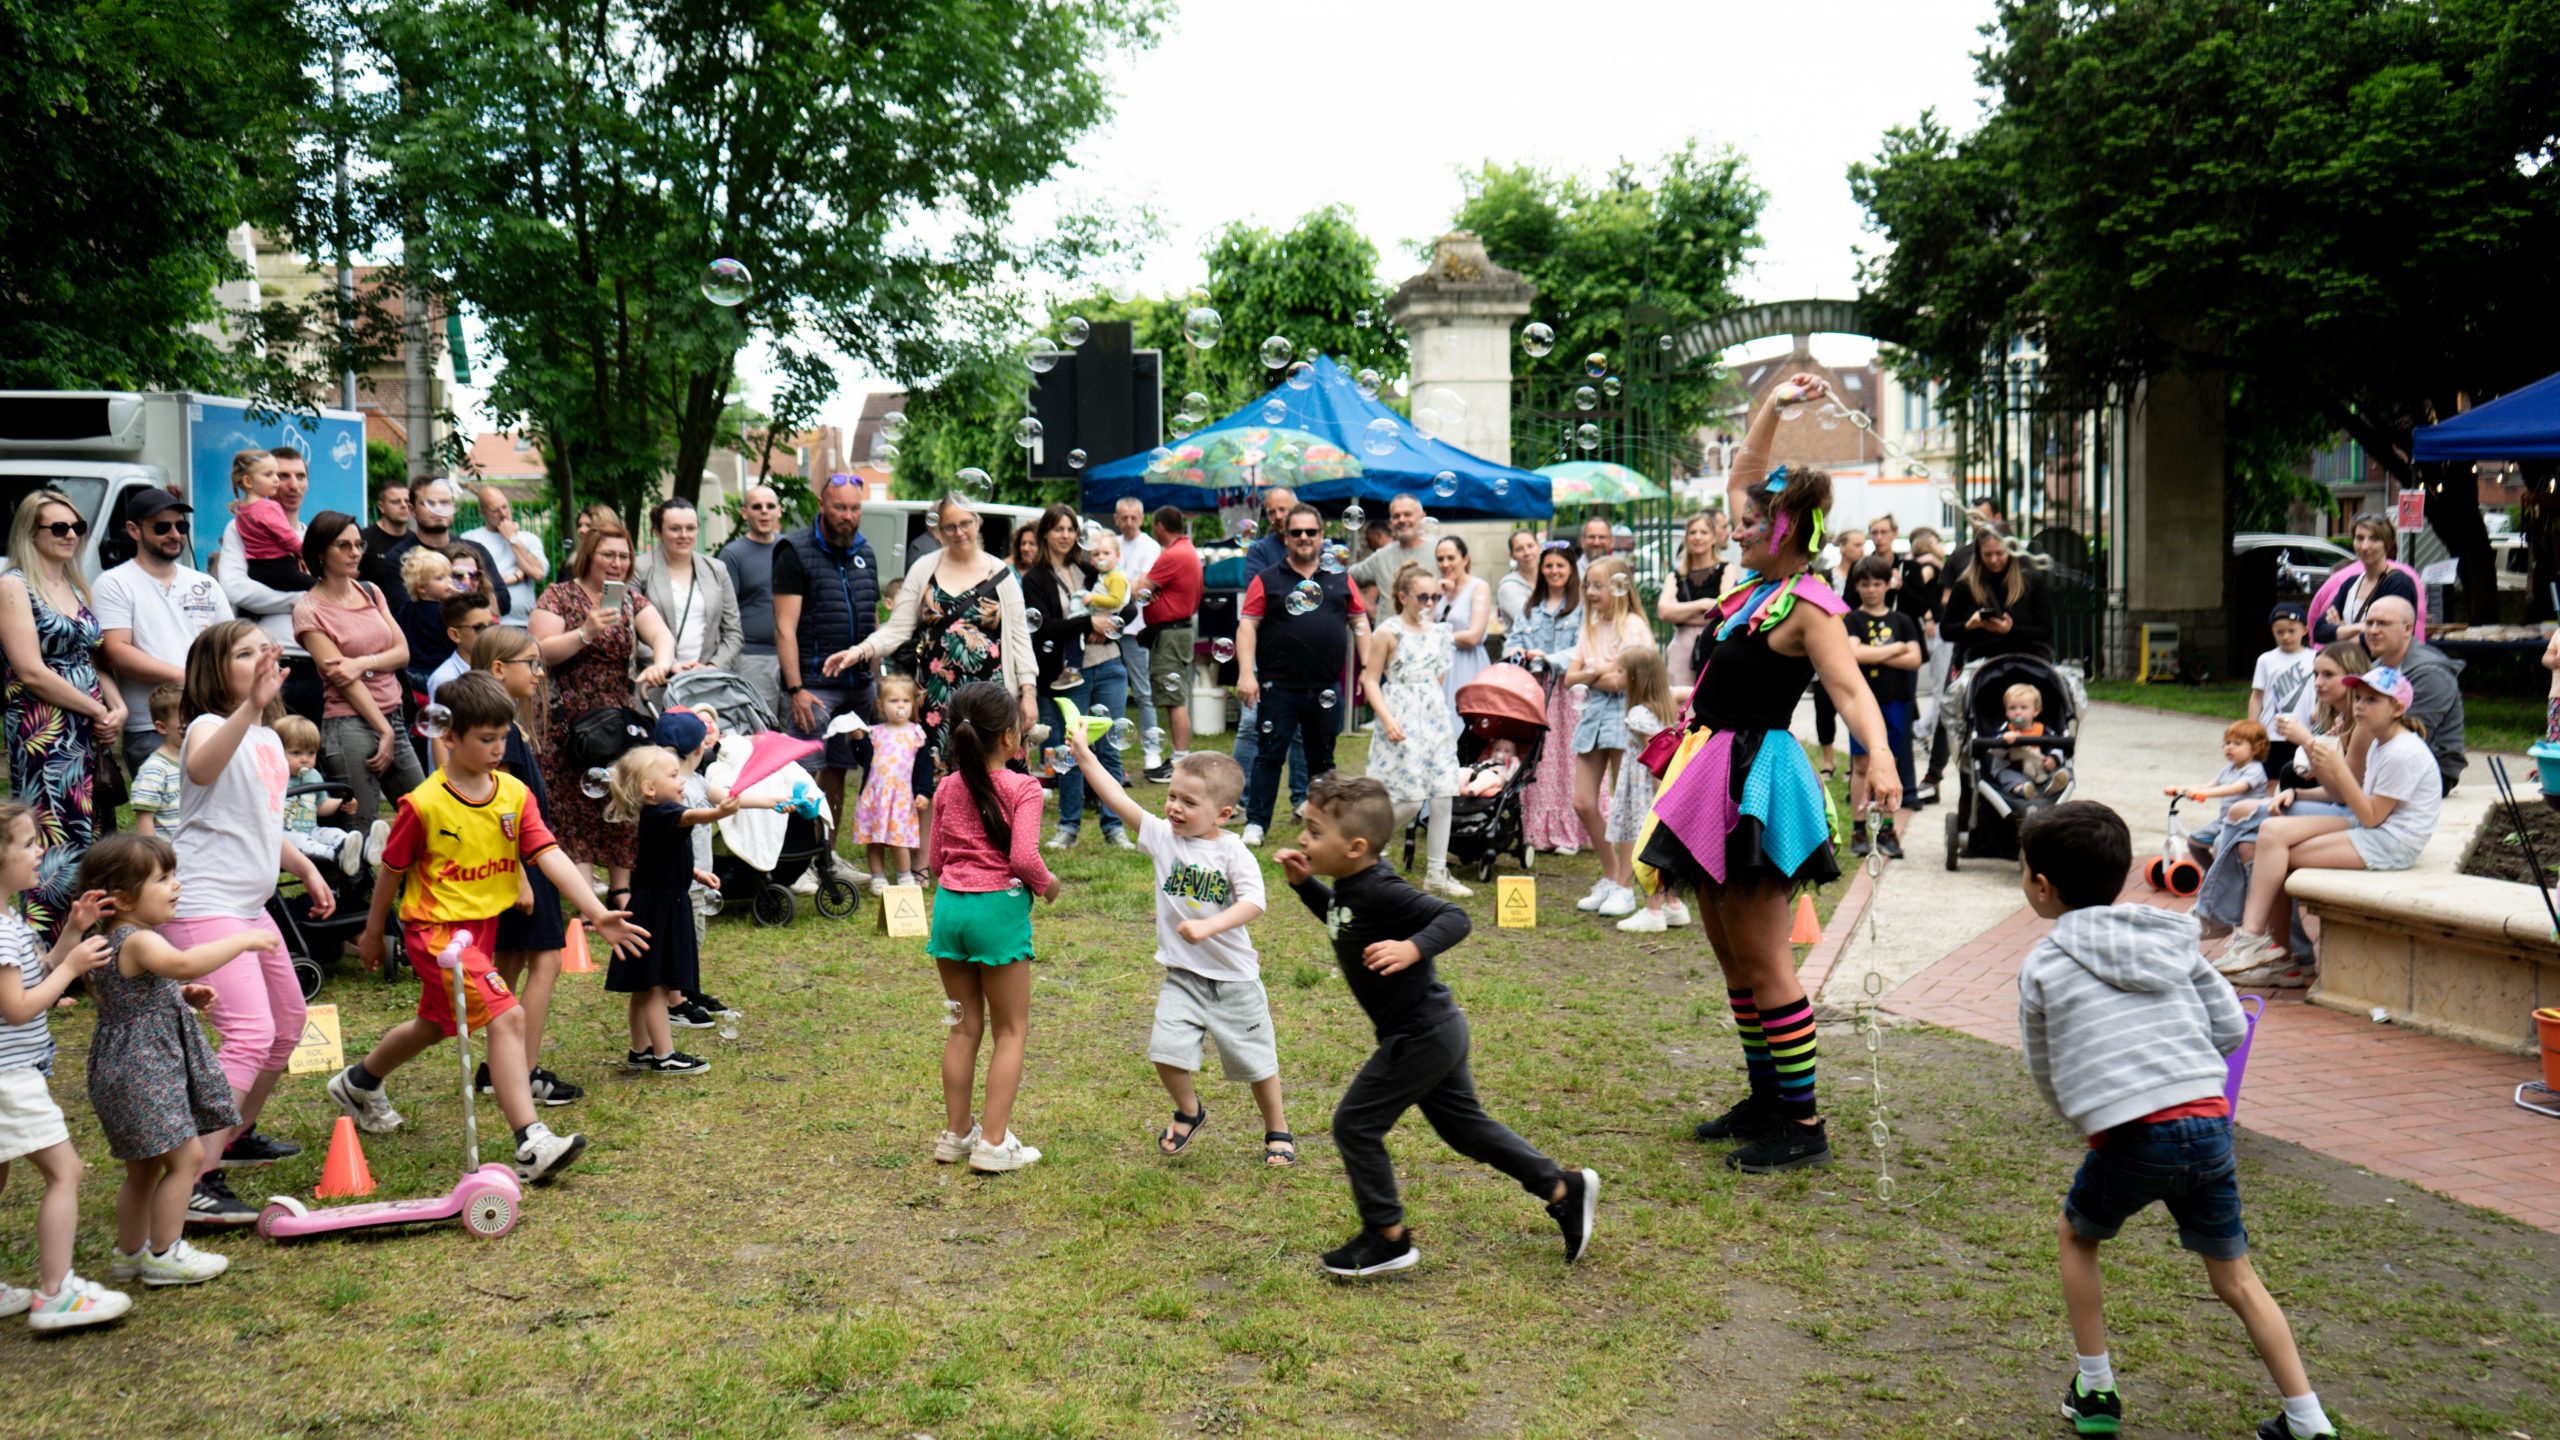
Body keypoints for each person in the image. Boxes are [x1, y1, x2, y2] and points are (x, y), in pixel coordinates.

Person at [2013, 802, 2337, 1440]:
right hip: (2209, 1125)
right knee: (2236, 1276)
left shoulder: (2044, 965)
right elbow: (2228, 1027)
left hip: (2131, 1136)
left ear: (2042, 886)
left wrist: (2086, 1112)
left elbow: (2044, 1065)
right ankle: (2309, 1419)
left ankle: (2096, 1390)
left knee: (2077, 1236)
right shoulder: (2172, 941)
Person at [1646, 374, 1900, 1173]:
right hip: (1710, 768)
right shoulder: (1751, 587)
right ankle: (1766, 1099)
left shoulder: (1809, 607)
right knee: (1733, 958)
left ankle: (1803, 1122)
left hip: (1756, 780)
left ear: (1786, 531)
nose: (1738, 528)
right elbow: (1743, 471)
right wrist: (1775, 406)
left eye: (1753, 523)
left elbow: (1850, 690)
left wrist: (1881, 755)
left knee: (1766, 961)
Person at [1274, 774, 1598, 1278]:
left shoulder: (1381, 888)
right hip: (1430, 1031)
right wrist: (1305, 888)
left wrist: (1412, 947)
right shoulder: (1351, 887)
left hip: (1420, 1035)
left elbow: (1453, 918)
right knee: (1465, 1130)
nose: (1302, 839)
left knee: (1355, 1125)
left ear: (1356, 848)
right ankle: (1561, 1188)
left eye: (1314, 832)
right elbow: (1342, 918)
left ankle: (1387, 1237)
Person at [333, 674, 633, 1178]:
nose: (498, 749)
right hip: (435, 933)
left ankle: (359, 1082)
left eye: (503, 737)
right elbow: (391, 870)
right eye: (487, 738)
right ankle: (531, 1142)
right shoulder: (424, 804)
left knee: (436, 1024)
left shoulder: (513, 793)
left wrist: (595, 910)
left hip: (480, 929)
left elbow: (549, 853)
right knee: (507, 1015)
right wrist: (371, 932)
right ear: (449, 736)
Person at [1062, 730, 1294, 1165]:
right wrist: (1085, 756)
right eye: (1172, 796)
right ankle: (1189, 1110)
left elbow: (1254, 903)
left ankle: (1277, 1129)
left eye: (1189, 802)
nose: (1174, 808)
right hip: (1182, 977)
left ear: (1223, 813)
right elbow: (1117, 798)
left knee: (1258, 1063)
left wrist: (1210, 927)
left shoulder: (1233, 852)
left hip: (1234, 981)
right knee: (1165, 1053)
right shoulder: (1162, 837)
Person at [824, 493, 1037, 882]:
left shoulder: (1002, 574)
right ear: (939, 530)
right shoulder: (925, 569)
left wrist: (1028, 692)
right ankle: (924, 862)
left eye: (965, 523)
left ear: (977, 523)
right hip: (938, 693)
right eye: (950, 526)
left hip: (990, 692)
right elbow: (898, 628)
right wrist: (860, 651)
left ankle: (1002, 858)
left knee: (995, 775)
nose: (959, 532)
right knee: (933, 778)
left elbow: (1020, 638)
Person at [73, 833, 244, 1288]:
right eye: (163, 878)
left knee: (144, 1167)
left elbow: (136, 995)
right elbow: (184, 963)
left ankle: (130, 1254)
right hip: (144, 1068)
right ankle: (165, 1254)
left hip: (122, 1067)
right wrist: (243, 940)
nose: (175, 885)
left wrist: (181, 995)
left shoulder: (112, 939)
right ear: (124, 897)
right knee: (186, 1158)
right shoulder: (137, 939)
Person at [2219, 665, 2441, 984]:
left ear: (2397, 709)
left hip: (2391, 843)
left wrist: (2337, 767)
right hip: (2369, 828)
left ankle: (2275, 951)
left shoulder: (2403, 753)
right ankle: (2258, 941)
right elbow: (2356, 801)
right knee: (2270, 831)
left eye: (2372, 700)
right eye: (2358, 698)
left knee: (2274, 854)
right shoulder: (2382, 742)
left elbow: (2372, 816)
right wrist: (2299, 791)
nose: (2360, 706)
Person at [923, 681, 1059, 1174]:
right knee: (1011, 1031)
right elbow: (1024, 858)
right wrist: (1048, 884)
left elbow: (936, 862)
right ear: (1008, 736)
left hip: (949, 910)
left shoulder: (946, 787)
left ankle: (956, 1135)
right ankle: (994, 1144)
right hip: (996, 912)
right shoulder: (1024, 788)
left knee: (963, 1028)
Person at [0, 807, 127, 1328]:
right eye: (28, 844)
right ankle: (55, 1294)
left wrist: (71, 935)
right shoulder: (1, 932)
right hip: (9, 1079)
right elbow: (19, 1008)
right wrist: (73, 967)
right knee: (65, 1171)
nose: (40, 852)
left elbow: (40, 975)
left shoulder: (10, 921)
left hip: (11, 1074)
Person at [457, 626, 578, 1105]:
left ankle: (496, 1067)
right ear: (498, 669)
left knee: (507, 961)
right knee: (547, 959)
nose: (539, 672)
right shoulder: (499, 735)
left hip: (519, 863)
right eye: (531, 663)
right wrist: (521, 877)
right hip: (521, 864)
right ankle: (523, 1070)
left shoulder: (509, 726)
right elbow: (497, 812)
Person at [530, 516, 676, 899]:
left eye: (624, 556)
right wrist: (586, 632)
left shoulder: (631, 599)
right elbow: (539, 651)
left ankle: (620, 890)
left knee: (622, 798)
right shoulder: (559, 596)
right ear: (588, 556)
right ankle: (584, 898)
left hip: (616, 717)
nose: (617, 563)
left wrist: (660, 664)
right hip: (567, 719)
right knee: (573, 808)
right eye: (608, 554)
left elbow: (661, 635)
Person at [2193, 643, 2372, 946]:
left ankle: (2221, 917)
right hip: (2344, 809)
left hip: (2359, 819)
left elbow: (2346, 794)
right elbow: (2335, 791)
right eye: (2316, 674)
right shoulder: (2339, 720)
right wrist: (2296, 793)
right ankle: (2287, 949)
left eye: (2328, 675)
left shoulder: (2362, 725)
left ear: (2352, 676)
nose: (2318, 682)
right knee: (2246, 844)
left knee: (2240, 816)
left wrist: (2307, 742)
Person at [0, 490, 116, 931]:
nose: (71, 535)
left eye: (77, 527)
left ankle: (85, 939)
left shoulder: (75, 585)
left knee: (90, 833)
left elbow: (91, 659)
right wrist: (96, 710)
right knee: (50, 838)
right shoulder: (13, 586)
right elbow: (31, 671)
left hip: (87, 727)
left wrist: (116, 708)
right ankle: (45, 947)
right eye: (60, 527)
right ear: (31, 532)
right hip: (44, 730)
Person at [1235, 503, 1371, 848]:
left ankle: (1322, 825)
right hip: (1277, 686)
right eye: (1297, 532)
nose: (1304, 537)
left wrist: (1369, 669)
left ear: (1322, 536)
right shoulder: (1267, 579)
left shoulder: (1340, 577)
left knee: (1322, 761)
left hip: (1325, 687)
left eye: (1311, 531)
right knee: (1269, 756)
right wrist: (1246, 673)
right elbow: (1247, 626)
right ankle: (1256, 823)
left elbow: (1359, 622)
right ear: (1286, 536)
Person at [597, 741, 729, 1076]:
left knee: (644, 986)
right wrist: (718, 813)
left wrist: (694, 872)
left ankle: (640, 1051)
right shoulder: (663, 812)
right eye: (673, 775)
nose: (681, 780)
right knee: (657, 985)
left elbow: (662, 857)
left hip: (653, 904)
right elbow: (692, 816)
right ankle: (665, 1055)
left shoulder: (656, 816)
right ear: (649, 789)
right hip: (661, 909)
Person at [774, 476, 882, 874]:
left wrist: (876, 678)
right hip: (813, 686)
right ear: (822, 505)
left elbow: (872, 617)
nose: (848, 516)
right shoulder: (794, 551)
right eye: (840, 507)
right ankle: (797, 862)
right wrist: (795, 688)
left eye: (855, 508)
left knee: (839, 769)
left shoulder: (865, 550)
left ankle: (827, 856)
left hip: (858, 685)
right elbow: (784, 627)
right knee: (804, 773)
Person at [293, 512, 426, 825]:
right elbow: (343, 679)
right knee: (360, 827)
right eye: (344, 545)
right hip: (350, 724)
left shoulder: (370, 591)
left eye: (358, 544)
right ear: (320, 553)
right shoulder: (308, 610)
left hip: (393, 716)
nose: (355, 552)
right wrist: (383, 730)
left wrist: (363, 662)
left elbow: (402, 652)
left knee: (426, 814)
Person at [1018, 505, 1135, 850]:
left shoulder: (1089, 567)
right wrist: (1088, 623)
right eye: (1058, 529)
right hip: (1071, 674)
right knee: (1071, 749)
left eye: (1071, 529)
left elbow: (1128, 605)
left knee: (1110, 747)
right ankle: (1068, 827)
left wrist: (1107, 626)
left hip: (1109, 664)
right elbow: (1041, 627)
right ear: (1045, 534)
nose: (1066, 535)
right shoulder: (1035, 578)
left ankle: (1115, 826)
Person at [95, 490, 234, 779]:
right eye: (162, 527)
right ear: (133, 530)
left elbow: (229, 645)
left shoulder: (205, 583)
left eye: (181, 526)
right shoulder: (113, 583)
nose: (175, 534)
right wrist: (189, 678)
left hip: (213, 718)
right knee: (167, 807)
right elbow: (116, 651)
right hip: (153, 725)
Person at [1362, 562, 1469, 897]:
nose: (1429, 603)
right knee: (1410, 799)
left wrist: (1433, 712)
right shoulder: (1388, 632)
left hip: (1433, 717)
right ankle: (1369, 845)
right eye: (1422, 597)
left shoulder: (1440, 633)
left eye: (1434, 597)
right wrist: (1387, 717)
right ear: (1403, 597)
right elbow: (1370, 680)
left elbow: (1437, 678)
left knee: (1443, 793)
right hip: (1400, 716)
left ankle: (1437, 871)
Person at [1567, 558, 1652, 918]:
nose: (1590, 592)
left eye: (1598, 585)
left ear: (1619, 588)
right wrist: (1601, 670)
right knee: (1583, 802)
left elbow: (1622, 681)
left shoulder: (1632, 626)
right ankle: (1610, 874)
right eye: (1587, 585)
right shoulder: (1590, 625)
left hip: (1625, 712)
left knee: (1625, 802)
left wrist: (1590, 672)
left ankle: (1625, 885)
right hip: (1594, 713)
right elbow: (1569, 678)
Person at [217, 452, 322, 721]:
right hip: (270, 662)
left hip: (318, 664)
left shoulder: (314, 537)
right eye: (281, 475)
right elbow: (235, 588)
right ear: (251, 481)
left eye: (300, 476)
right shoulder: (238, 527)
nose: (291, 484)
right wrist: (295, 601)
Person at [1234, 488, 1313, 809]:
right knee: (1250, 724)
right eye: (1272, 512)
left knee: (1301, 729)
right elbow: (1261, 594)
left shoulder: (1315, 545)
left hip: (1305, 651)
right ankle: (1238, 797)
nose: (1279, 516)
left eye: (1284, 509)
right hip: (1266, 650)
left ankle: (1301, 799)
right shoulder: (1260, 550)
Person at [1843, 555, 1923, 860]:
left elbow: (1914, 659)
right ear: (1857, 586)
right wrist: (1895, 648)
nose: (1871, 590)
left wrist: (1874, 652)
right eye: (1864, 584)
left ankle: (1887, 829)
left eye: (1877, 583)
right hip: (1863, 702)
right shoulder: (1852, 620)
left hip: (1896, 700)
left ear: (1888, 585)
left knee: (1890, 763)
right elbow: (1854, 654)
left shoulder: (1902, 621)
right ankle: (1859, 829)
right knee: (1861, 764)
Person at [1608, 647, 1689, 934]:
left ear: (1635, 677)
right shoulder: (1665, 705)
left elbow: (1656, 756)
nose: (1615, 676)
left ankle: (1653, 910)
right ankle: (1674, 906)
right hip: (1662, 788)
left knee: (1647, 850)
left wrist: (1660, 798)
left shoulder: (1638, 714)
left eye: (1620, 671)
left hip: (1646, 793)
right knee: (1663, 849)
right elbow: (1690, 691)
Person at [1515, 544, 1586, 855]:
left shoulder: (1582, 606)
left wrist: (1548, 657)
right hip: (1536, 690)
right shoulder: (1531, 607)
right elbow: (1515, 637)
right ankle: (1535, 829)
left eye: (1560, 565)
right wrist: (1517, 651)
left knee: (1567, 760)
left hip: (1568, 691)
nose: (1554, 571)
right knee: (1538, 760)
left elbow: (1583, 647)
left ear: (1571, 569)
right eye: (1549, 566)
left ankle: (1569, 830)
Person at [631, 497, 742, 696]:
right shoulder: (639, 569)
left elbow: (733, 633)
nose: (684, 535)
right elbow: (629, 631)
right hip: (657, 683)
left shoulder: (717, 570)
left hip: (707, 684)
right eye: (675, 529)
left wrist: (712, 667)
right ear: (658, 531)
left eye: (690, 528)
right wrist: (668, 663)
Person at [2353, 596, 2463, 794]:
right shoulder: (2378, 667)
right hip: (2387, 760)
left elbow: (2414, 737)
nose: (2373, 630)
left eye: (2383, 623)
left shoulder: (2430, 672)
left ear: (2408, 629)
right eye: (2369, 623)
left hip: (2432, 771)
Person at [369, 477, 508, 617]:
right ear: (412, 510)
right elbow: (407, 612)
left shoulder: (475, 550)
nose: (438, 509)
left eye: (445, 502)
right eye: (429, 503)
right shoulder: (399, 558)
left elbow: (503, 601)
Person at [273, 714, 376, 878]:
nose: (305, 759)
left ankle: (362, 849)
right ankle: (337, 856)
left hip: (311, 830)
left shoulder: (313, 776)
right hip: (283, 837)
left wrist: (341, 803)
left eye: (311, 753)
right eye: (296, 753)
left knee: (332, 832)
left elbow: (321, 806)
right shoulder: (274, 777)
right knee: (303, 841)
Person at [718, 483, 789, 717]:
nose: (764, 511)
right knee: (760, 724)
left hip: (793, 655)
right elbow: (724, 612)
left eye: (770, 506)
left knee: (795, 727)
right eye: (757, 507)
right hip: (752, 658)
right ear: (744, 512)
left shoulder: (790, 549)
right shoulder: (732, 554)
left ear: (779, 511)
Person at [1142, 507, 1201, 784]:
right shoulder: (1187, 550)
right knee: (1174, 696)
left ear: (1159, 526)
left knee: (1174, 698)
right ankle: (1179, 757)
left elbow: (1138, 589)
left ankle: (1179, 761)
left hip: (1171, 635)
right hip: (1177, 632)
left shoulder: (1172, 555)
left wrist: (1149, 591)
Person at [855, 674, 927, 890]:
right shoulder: (874, 733)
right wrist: (858, 740)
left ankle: (904, 876)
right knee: (875, 840)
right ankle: (877, 877)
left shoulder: (916, 734)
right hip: (876, 796)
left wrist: (923, 791)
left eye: (905, 701)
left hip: (901, 798)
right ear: (881, 705)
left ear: (913, 704)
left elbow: (923, 767)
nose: (900, 706)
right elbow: (863, 758)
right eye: (893, 701)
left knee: (899, 839)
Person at [2309, 513, 2422, 647]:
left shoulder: (2399, 583)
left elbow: (2386, 637)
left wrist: (2340, 631)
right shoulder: (2350, 584)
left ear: (2386, 543)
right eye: (2359, 538)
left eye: (2374, 539)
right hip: (2349, 660)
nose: (2365, 546)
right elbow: (2319, 631)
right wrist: (2358, 628)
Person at [2169, 721, 2272, 863]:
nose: (2229, 747)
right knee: (2194, 842)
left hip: (2245, 823)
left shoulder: (2255, 769)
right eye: (2227, 743)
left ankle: (2224, 874)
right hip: (2224, 822)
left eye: (2237, 743)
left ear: (2255, 748)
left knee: (2220, 844)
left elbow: (2235, 788)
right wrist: (2183, 789)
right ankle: (2211, 872)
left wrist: (2205, 794)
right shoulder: (2229, 768)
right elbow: (2208, 786)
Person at [1110, 497, 1162, 773]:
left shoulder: (1150, 546)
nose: (1129, 523)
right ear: (1116, 519)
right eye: (1124, 518)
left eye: (1134, 518)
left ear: (1142, 519)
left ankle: (1152, 752)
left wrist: (1117, 588)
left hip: (1136, 628)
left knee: (1143, 691)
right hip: (1110, 627)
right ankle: (1111, 749)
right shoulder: (1113, 543)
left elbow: (1141, 586)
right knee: (1109, 690)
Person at [1659, 512, 1740, 688]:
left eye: (1703, 532)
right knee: (1681, 700)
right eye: (1692, 532)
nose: (1697, 537)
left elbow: (1726, 609)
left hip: (1715, 645)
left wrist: (1681, 614)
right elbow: (1664, 611)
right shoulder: (1675, 575)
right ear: (1686, 538)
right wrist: (1703, 605)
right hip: (1681, 651)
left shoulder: (1726, 569)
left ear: (1713, 538)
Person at [459, 485, 548, 619]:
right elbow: (469, 580)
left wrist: (512, 539)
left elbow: (538, 573)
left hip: (523, 622)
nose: (503, 514)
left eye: (505, 507)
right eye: (495, 510)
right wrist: (516, 577)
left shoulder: (529, 538)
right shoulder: (470, 539)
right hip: (487, 619)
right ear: (482, 512)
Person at [2250, 605, 2317, 780]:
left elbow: (2323, 691)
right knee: (2269, 780)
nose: (2286, 636)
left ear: (2305, 630)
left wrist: (2320, 709)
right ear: (2273, 632)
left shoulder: (2315, 657)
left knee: (2301, 778)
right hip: (2272, 733)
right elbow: (2257, 696)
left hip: (2305, 731)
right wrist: (2252, 726)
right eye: (2280, 632)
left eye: (2291, 631)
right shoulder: (2266, 660)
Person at [1350, 493, 1433, 615]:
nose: (1402, 520)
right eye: (1396, 516)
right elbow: (1346, 577)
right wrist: (1369, 607)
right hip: (1386, 628)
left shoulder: (1440, 552)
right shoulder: (1381, 556)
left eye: (1407, 514)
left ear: (1422, 517)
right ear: (1390, 522)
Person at [1434, 536, 1491, 712]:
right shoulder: (1437, 589)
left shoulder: (1478, 587)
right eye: (1440, 559)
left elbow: (1474, 636)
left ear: (1465, 559)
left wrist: (1435, 636)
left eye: (1451, 558)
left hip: (1467, 663)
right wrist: (1435, 596)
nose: (1445, 564)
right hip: (1439, 664)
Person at [1987, 682, 2071, 800]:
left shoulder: (2042, 729)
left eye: (2023, 708)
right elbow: (1992, 748)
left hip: (2040, 771)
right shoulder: (2005, 729)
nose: (2018, 712)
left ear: (2035, 711)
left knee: (2064, 772)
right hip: (2013, 770)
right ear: (2006, 712)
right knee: (2005, 775)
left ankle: (2051, 785)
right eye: (2012, 708)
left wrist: (2053, 758)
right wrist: (2004, 740)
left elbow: (2057, 744)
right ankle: (2022, 790)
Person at [126, 686, 185, 838]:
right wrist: (154, 852)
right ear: (162, 727)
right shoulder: (154, 770)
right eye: (184, 725)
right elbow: (144, 821)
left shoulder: (197, 762)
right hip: (168, 851)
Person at [395, 546, 458, 679]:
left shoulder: (405, 609)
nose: (449, 581)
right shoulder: (445, 613)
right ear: (421, 587)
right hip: (440, 671)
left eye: (450, 576)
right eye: (440, 578)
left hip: (411, 673)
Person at [424, 591, 497, 701]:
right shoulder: (445, 679)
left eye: (491, 625)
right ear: (455, 635)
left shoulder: (500, 667)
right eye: (478, 628)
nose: (488, 633)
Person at [1495, 529, 1540, 635]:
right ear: (1512, 555)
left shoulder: (1551, 579)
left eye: (1530, 546)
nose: (1527, 553)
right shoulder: (1508, 587)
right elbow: (1529, 621)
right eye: (1519, 549)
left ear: (1539, 547)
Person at [361, 480, 410, 570]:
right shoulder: (364, 539)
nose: (404, 505)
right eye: (396, 502)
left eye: (407, 501)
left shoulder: (416, 542)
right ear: (381, 506)